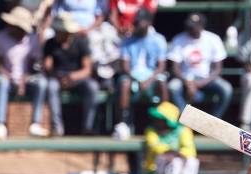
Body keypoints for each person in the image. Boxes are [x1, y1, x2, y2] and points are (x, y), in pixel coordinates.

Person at [112, 8, 167, 140]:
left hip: (152, 77)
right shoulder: (127, 40)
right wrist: (136, 79)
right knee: (124, 82)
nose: (136, 25)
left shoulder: (158, 39)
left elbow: (161, 67)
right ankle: (123, 124)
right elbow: (125, 66)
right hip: (133, 76)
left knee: (163, 83)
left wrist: (148, 80)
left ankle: (164, 121)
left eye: (139, 22)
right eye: (135, 22)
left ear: (148, 23)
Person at [43, 12, 99, 136]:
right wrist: (58, 76)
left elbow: (87, 70)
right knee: (51, 86)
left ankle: (88, 127)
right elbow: (48, 67)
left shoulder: (81, 42)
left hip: (77, 77)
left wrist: (72, 77)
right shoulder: (50, 44)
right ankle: (57, 128)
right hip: (57, 78)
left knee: (92, 86)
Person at [167, 13, 232, 116]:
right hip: (185, 79)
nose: (190, 29)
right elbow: (175, 68)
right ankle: (185, 121)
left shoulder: (213, 39)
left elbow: (217, 69)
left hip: (207, 79)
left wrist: (199, 83)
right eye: (189, 26)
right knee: (173, 87)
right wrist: (188, 82)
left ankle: (213, 121)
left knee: (226, 89)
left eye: (194, 26)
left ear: (202, 26)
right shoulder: (178, 39)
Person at [0, 6, 48, 139]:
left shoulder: (32, 40)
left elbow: (34, 65)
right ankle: (0, 124)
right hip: (6, 78)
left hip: (27, 79)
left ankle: (35, 124)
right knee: (1, 82)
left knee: (41, 83)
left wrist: (24, 79)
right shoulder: (1, 37)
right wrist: (7, 76)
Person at [144, 101, 198, 174]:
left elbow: (190, 150)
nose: (156, 120)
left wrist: (177, 154)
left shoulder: (183, 130)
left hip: (180, 163)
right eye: (156, 118)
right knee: (173, 162)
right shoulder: (151, 130)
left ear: (167, 121)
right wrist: (169, 153)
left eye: (160, 119)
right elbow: (154, 145)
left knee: (191, 161)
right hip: (155, 168)